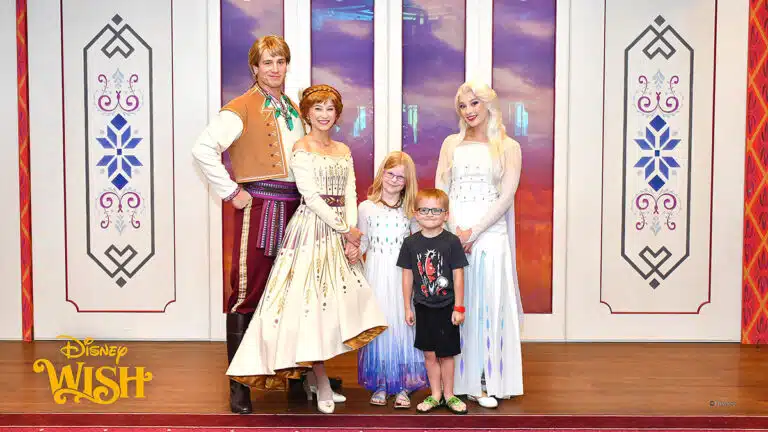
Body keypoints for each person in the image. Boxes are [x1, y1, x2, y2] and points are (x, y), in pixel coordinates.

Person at [225, 84, 388, 415]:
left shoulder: (342, 149)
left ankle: (315, 379)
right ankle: (320, 381)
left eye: (330, 109)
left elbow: (350, 191)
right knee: (309, 306)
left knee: (334, 307)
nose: (324, 115)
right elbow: (310, 197)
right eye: (318, 109)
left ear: (337, 114)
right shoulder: (301, 147)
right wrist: (346, 230)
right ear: (307, 113)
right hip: (311, 230)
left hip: (340, 231)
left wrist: (352, 233)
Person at [191, 35, 308, 414]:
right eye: (268, 63)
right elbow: (203, 149)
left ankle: (293, 377)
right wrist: (231, 192)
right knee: (248, 290)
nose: (275, 69)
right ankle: (239, 386)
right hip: (261, 209)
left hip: (295, 207)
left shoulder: (292, 107)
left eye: (281, 62)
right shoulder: (240, 107)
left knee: (292, 292)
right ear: (255, 68)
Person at [435, 80, 524, 408]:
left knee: (488, 306)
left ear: (488, 104)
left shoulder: (509, 146)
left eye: (474, 103)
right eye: (462, 105)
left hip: (489, 234)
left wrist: (473, 232)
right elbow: (440, 190)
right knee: (458, 306)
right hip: (454, 232)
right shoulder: (450, 144)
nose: (469, 111)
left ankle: (486, 379)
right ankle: (458, 381)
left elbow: (506, 196)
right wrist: (453, 231)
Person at [356, 151, 428, 409]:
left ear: (408, 182)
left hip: (401, 275)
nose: (395, 180)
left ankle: (403, 386)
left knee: (402, 326)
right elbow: (362, 242)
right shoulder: (365, 207)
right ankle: (382, 383)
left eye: (401, 177)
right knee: (381, 325)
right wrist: (351, 250)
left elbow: (419, 246)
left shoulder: (410, 212)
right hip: (375, 273)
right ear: (382, 174)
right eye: (391, 174)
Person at [396, 188, 469, 415]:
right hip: (423, 307)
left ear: (445, 215)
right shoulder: (410, 243)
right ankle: (435, 394)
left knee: (446, 354)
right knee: (429, 354)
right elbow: (407, 275)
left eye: (436, 210)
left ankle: (449, 395)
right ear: (416, 214)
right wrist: (408, 306)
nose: (429, 214)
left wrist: (459, 306)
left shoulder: (452, 242)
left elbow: (458, 275)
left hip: (447, 307)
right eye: (424, 210)